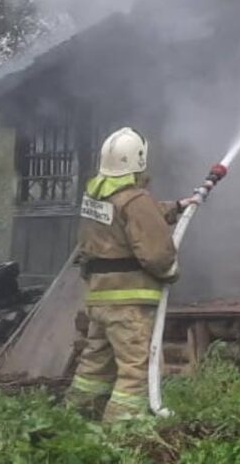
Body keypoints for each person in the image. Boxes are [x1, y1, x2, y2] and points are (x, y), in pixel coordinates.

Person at [65, 128, 201, 422]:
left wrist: (176, 207)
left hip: (101, 298)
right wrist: (170, 271)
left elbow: (128, 220)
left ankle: (75, 422)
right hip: (128, 303)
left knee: (94, 366)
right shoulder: (134, 198)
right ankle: (122, 435)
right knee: (134, 371)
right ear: (138, 159)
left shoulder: (97, 195)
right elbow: (156, 252)